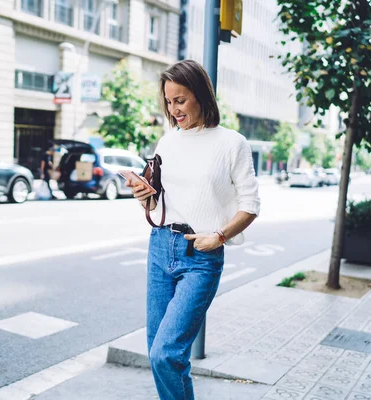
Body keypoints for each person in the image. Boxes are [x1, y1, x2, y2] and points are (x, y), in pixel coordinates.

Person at [127, 60, 260, 400]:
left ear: (201, 95)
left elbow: (250, 205)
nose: (174, 110)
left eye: (181, 100)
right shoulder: (167, 142)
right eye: (169, 102)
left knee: (166, 353)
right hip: (160, 247)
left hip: (202, 255)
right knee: (162, 354)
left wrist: (219, 236)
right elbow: (160, 203)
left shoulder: (232, 143)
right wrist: (146, 197)